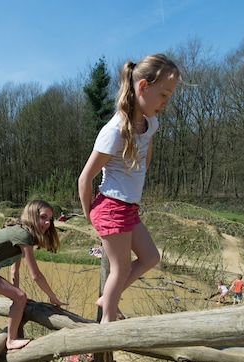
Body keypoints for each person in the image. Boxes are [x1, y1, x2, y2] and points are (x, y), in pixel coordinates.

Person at [78, 54, 180, 324]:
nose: (166, 103)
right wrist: (89, 215)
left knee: (150, 257)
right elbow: (85, 178)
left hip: (129, 207)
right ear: (143, 87)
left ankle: (108, 299)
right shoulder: (114, 130)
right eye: (164, 95)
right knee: (120, 268)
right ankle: (107, 323)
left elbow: (145, 160)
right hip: (111, 206)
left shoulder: (151, 123)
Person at [0, 199, 67, 360]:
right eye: (43, 217)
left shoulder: (21, 233)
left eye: (50, 219)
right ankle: (11, 340)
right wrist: (52, 297)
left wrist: (15, 296)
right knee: (20, 297)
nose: (47, 223)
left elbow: (14, 271)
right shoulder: (23, 235)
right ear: (32, 215)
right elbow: (36, 275)